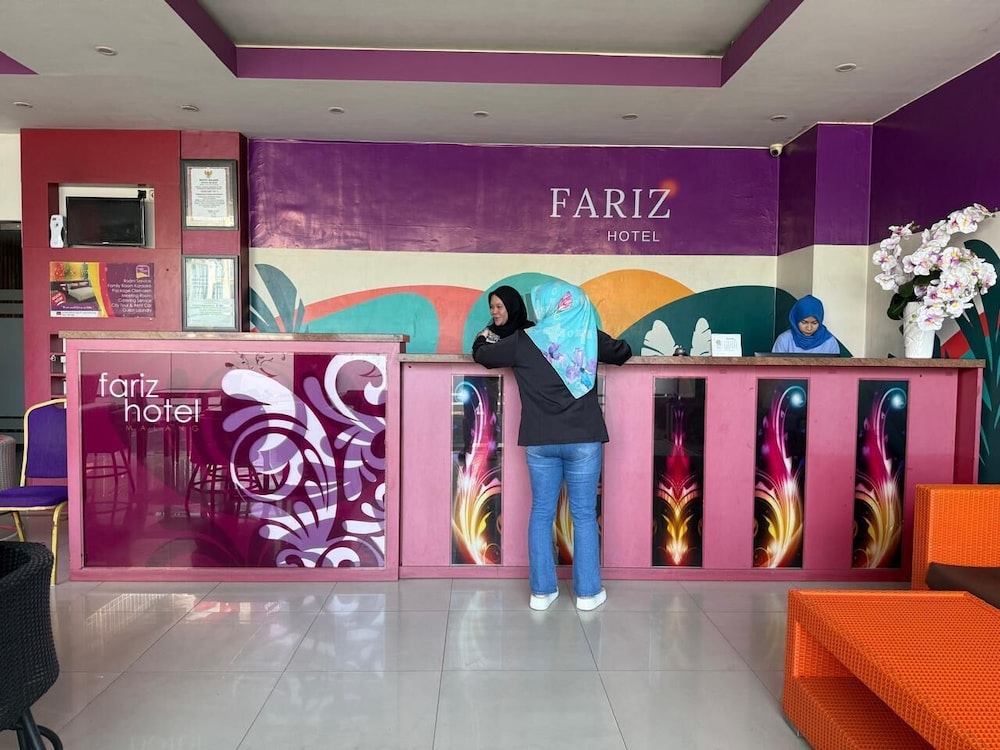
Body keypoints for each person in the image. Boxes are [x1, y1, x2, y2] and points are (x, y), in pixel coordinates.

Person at [473, 281, 632, 611]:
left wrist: (483, 336)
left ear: (545, 307)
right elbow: (622, 352)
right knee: (584, 516)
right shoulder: (587, 336)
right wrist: (593, 335)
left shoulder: (523, 341)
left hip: (540, 439)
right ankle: (588, 594)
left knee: (541, 512)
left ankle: (542, 592)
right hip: (584, 438)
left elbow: (484, 356)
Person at [771, 294, 841, 354]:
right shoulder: (784, 340)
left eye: (814, 323)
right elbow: (774, 365)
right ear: (796, 320)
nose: (809, 328)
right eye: (804, 322)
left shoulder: (830, 342)